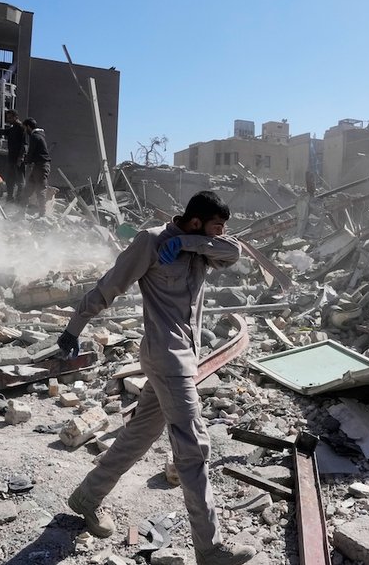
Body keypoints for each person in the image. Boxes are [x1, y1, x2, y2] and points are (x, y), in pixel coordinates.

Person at [57, 191, 256, 565]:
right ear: (196, 220)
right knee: (194, 450)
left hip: (182, 359)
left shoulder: (203, 246)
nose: (220, 235)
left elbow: (235, 252)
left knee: (139, 435)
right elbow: (110, 285)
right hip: (167, 358)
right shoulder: (151, 241)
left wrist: (188, 241)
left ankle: (87, 496)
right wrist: (74, 327)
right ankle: (209, 549)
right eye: (215, 226)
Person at [22, 117, 51, 216]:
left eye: (25, 128)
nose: (25, 131)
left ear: (28, 127)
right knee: (29, 188)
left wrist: (26, 161)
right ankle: (21, 211)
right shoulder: (39, 136)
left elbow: (31, 152)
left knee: (40, 189)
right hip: (38, 166)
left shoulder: (34, 137)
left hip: (41, 165)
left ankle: (42, 214)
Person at [4, 110, 27, 202]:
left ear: (16, 117)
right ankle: (10, 198)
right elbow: (4, 132)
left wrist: (20, 158)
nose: (8, 119)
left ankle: (19, 199)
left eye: (10, 117)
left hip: (18, 159)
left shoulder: (21, 128)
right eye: (7, 117)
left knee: (20, 181)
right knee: (10, 179)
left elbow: (24, 144)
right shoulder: (12, 128)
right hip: (11, 158)